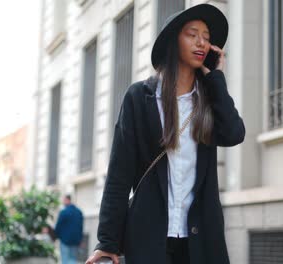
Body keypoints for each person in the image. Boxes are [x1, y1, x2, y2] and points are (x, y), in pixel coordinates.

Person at [86, 4, 245, 264]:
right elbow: (119, 173)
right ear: (174, 40)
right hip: (149, 236)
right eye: (192, 34)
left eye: (206, 37)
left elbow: (234, 134)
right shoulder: (140, 97)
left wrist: (216, 77)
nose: (201, 42)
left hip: (200, 240)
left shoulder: (208, 100)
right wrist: (107, 241)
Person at [55, 194, 84, 264]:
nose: (63, 202)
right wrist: (80, 240)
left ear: (67, 200)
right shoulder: (79, 212)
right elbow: (81, 227)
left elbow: (58, 226)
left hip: (65, 241)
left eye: (64, 200)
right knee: (73, 259)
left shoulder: (64, 212)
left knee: (65, 260)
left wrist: (57, 236)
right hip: (75, 241)